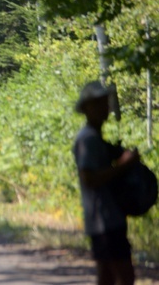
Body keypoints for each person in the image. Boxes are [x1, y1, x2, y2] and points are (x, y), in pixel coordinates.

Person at [73, 81, 139, 285]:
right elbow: (89, 178)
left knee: (107, 277)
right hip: (104, 220)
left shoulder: (95, 138)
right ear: (86, 108)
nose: (105, 107)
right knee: (124, 276)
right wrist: (123, 166)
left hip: (106, 218)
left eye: (105, 102)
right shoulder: (88, 139)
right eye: (98, 103)